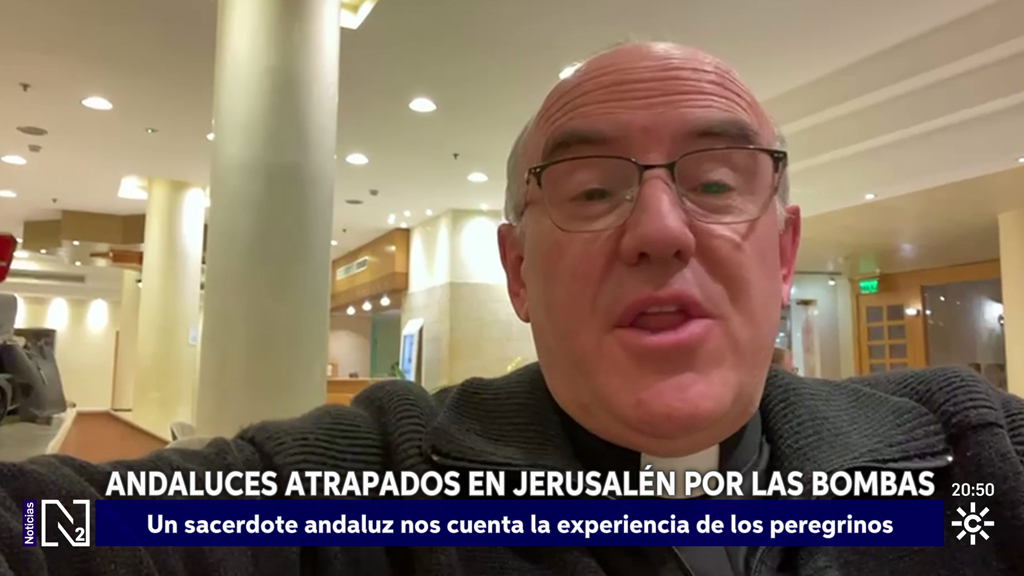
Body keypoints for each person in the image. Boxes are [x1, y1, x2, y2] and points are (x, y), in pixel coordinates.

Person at [1, 41, 1022, 575]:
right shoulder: (372, 488)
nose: (659, 229)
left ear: (784, 251)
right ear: (519, 271)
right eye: (592, 190)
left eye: (716, 183)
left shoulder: (965, 459)